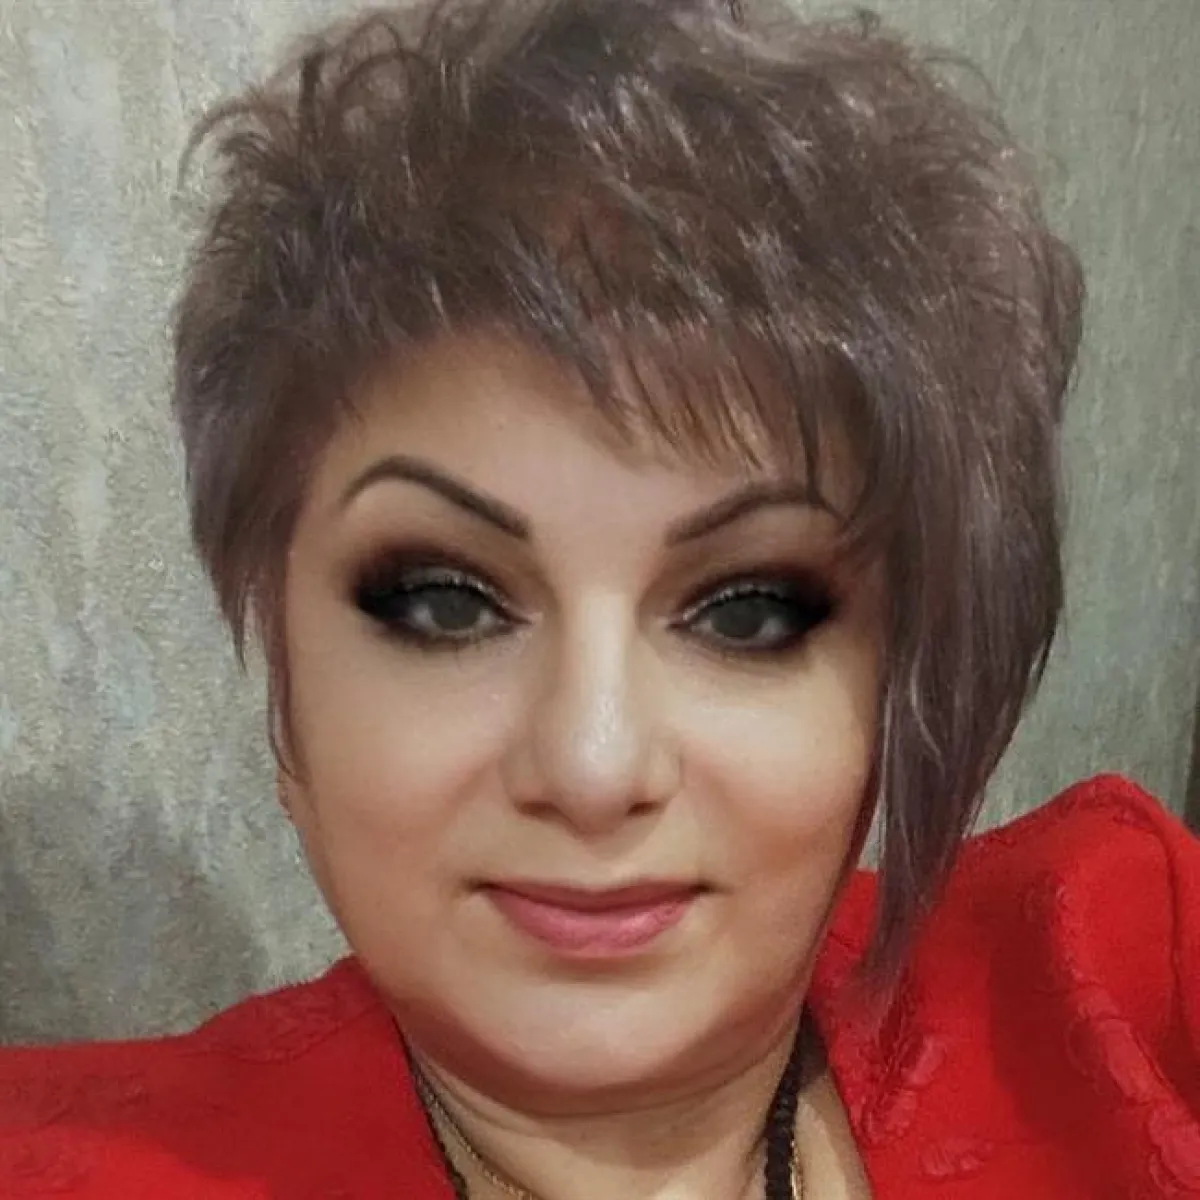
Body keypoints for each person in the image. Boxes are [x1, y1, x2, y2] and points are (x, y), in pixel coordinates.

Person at [2, 0, 1197, 1196]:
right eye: (445, 603)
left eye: (745, 610)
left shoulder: (1112, 961)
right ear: (287, 695)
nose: (592, 765)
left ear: (895, 683)